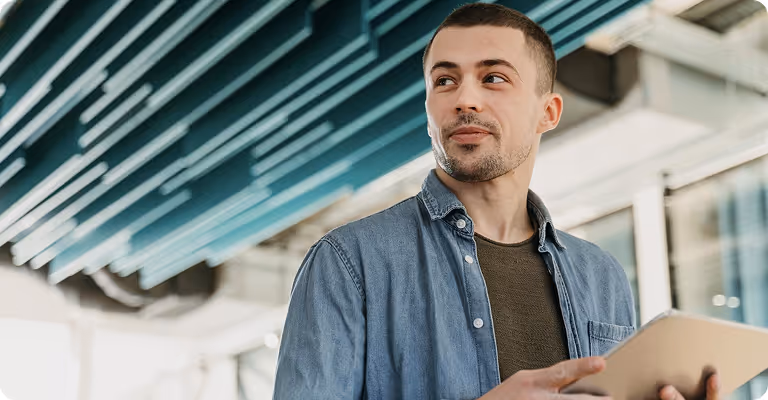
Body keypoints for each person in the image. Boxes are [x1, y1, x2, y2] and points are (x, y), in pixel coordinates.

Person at [273, 3, 720, 399]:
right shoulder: (347, 264)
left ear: (548, 112)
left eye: (493, 78)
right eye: (445, 80)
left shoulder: (602, 275)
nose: (465, 99)